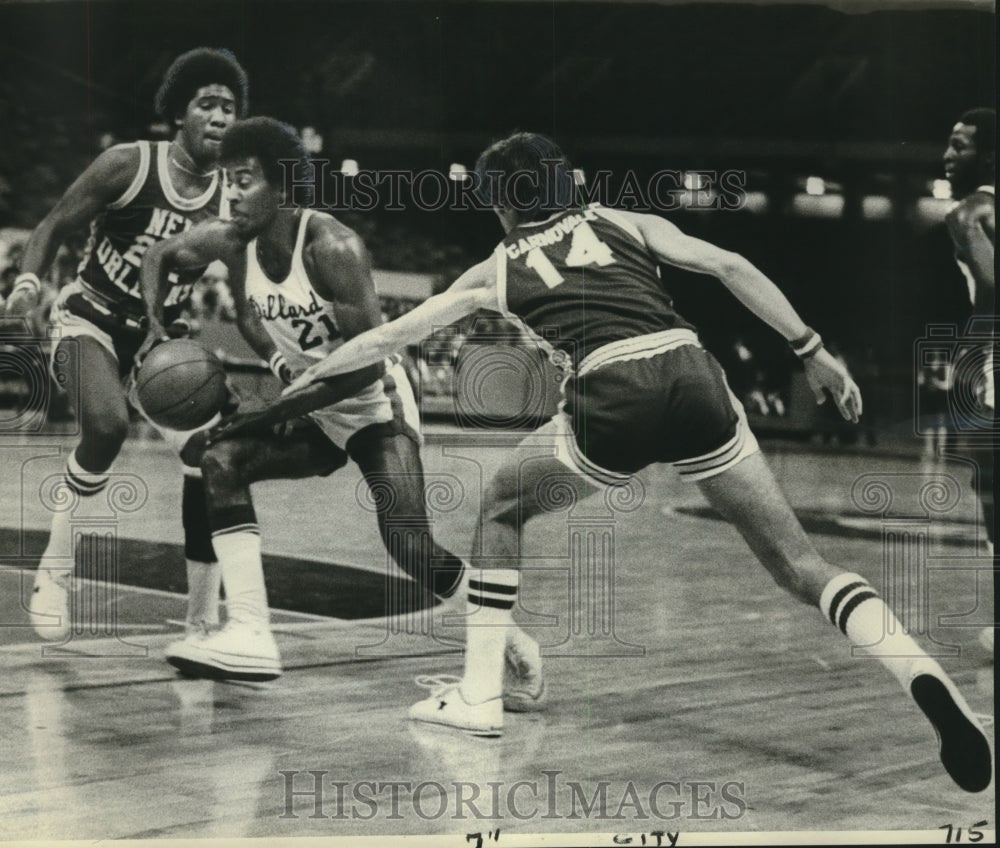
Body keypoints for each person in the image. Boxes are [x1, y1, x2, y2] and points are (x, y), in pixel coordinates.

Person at [282, 132, 992, 792]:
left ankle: (478, 695)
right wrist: (812, 350)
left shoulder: (498, 266)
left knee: (502, 504)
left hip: (613, 390)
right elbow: (729, 265)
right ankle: (919, 671)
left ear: (501, 204)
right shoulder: (622, 220)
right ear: (571, 184)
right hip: (692, 375)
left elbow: (388, 338)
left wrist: (304, 383)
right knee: (801, 568)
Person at [141, 118, 541, 694]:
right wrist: (158, 327)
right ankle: (251, 633)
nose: (231, 193)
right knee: (220, 460)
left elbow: (365, 368)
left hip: (375, 406)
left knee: (410, 547)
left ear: (281, 187)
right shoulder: (234, 241)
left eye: (245, 180)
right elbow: (160, 256)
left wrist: (273, 410)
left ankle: (508, 639)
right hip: (310, 402)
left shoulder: (333, 247)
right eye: (229, 181)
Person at [4, 48, 250, 643]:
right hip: (87, 317)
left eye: (229, 107)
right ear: (179, 114)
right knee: (107, 427)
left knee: (212, 459)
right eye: (207, 103)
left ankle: (200, 620)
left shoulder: (232, 204)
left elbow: (245, 304)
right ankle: (54, 574)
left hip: (158, 342)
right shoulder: (129, 165)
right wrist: (28, 282)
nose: (220, 116)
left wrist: (279, 358)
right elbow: (53, 225)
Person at [942, 107, 995, 652]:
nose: (948, 155)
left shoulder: (969, 211)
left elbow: (993, 287)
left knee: (992, 491)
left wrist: (972, 359)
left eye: (959, 145)